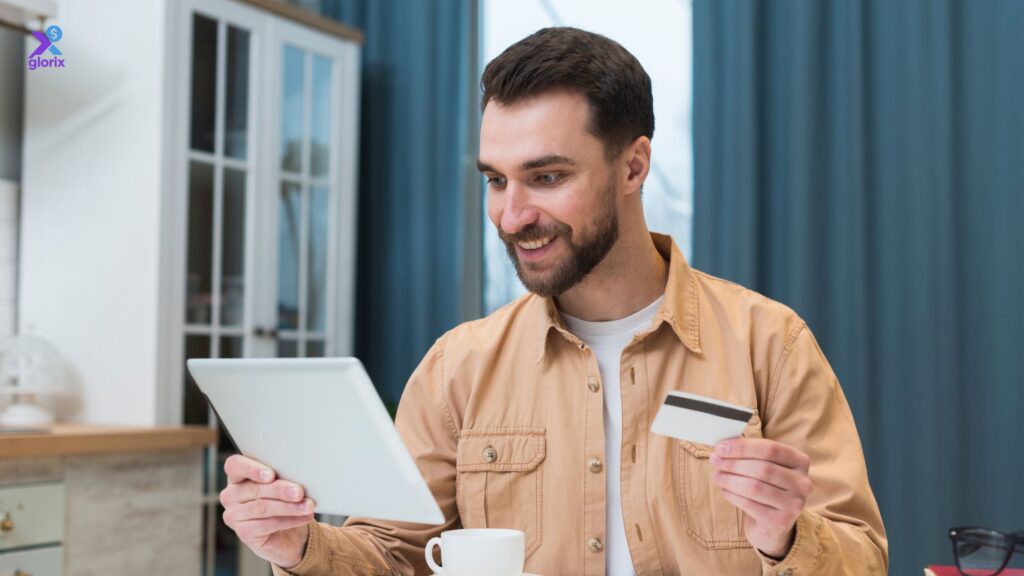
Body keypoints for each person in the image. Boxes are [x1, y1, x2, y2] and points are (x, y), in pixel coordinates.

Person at [219, 27, 888, 575]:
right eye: (494, 180)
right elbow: (395, 557)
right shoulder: (459, 367)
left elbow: (861, 558)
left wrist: (784, 538)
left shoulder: (768, 342)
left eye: (546, 177)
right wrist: (299, 548)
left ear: (633, 166)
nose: (511, 216)